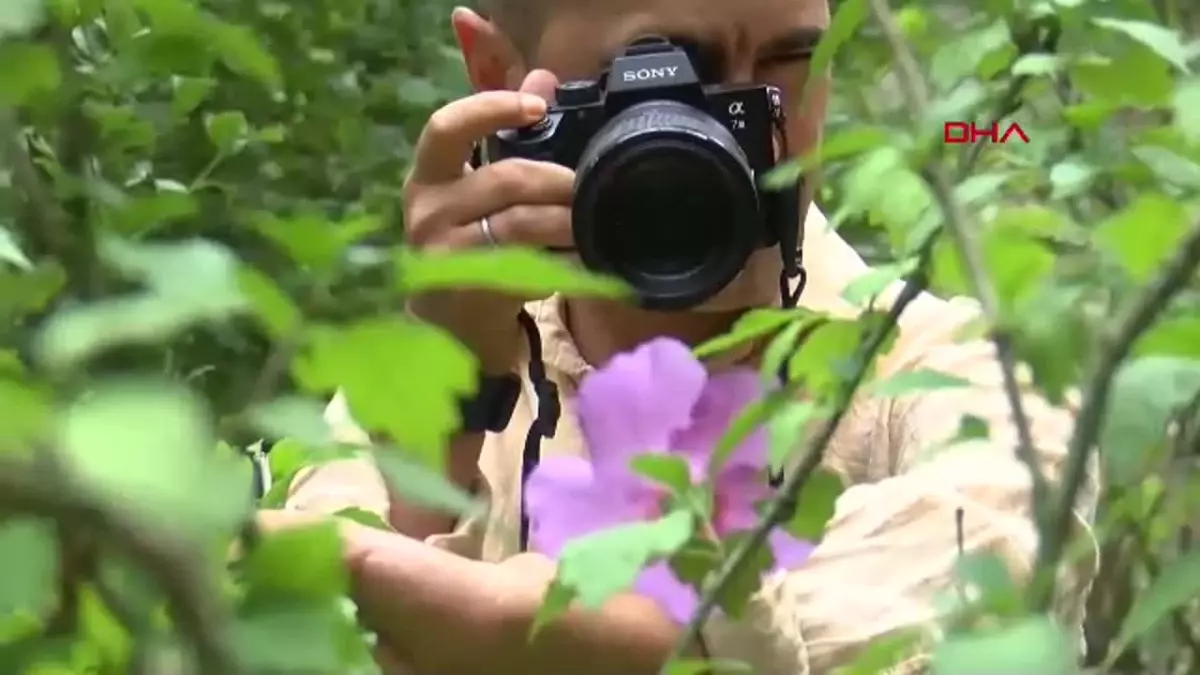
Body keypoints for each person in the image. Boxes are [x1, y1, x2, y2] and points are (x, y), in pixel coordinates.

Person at [261, 0, 1100, 673]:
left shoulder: (956, 372)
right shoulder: (396, 395)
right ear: (499, 76)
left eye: (789, 62)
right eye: (668, 73)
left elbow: (981, 562)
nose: (746, 134)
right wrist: (448, 402)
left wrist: (526, 621)